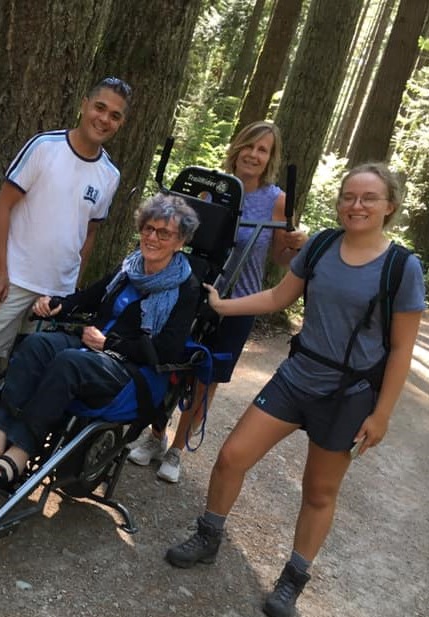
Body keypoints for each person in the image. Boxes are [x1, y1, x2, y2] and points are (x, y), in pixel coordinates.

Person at [165, 163, 425, 617]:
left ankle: (292, 579)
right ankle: (209, 536)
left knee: (319, 492)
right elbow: (278, 297)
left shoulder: (402, 268)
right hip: (297, 374)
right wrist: (223, 306)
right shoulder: (323, 246)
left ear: (390, 207)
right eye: (348, 196)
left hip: (350, 393)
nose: (356, 205)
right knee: (232, 456)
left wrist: (381, 414)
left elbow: (402, 347)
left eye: (368, 198)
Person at [128, 120, 308, 482]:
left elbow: (279, 260)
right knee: (170, 362)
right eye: (250, 146)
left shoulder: (276, 200)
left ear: (271, 158)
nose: (254, 155)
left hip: (241, 300)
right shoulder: (215, 188)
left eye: (263, 150)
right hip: (193, 292)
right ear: (238, 147)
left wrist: (294, 244)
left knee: (207, 376)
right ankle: (156, 436)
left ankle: (178, 449)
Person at [0, 193, 200, 491]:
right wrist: (57, 304)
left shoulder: (186, 288)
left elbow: (166, 350)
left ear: (181, 241)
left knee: (68, 363)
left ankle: (21, 451)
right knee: (36, 345)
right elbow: (92, 295)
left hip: (130, 369)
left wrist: (110, 343)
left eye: (164, 233)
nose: (152, 237)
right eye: (148, 229)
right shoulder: (131, 266)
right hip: (91, 349)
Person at [0, 76, 132, 376]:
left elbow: (89, 234)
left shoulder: (109, 175)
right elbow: (3, 205)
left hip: (55, 295)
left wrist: (70, 296)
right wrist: (0, 271)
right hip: (13, 279)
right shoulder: (45, 146)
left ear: (121, 124)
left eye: (115, 115)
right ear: (84, 105)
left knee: (22, 372)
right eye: (100, 107)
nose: (104, 119)